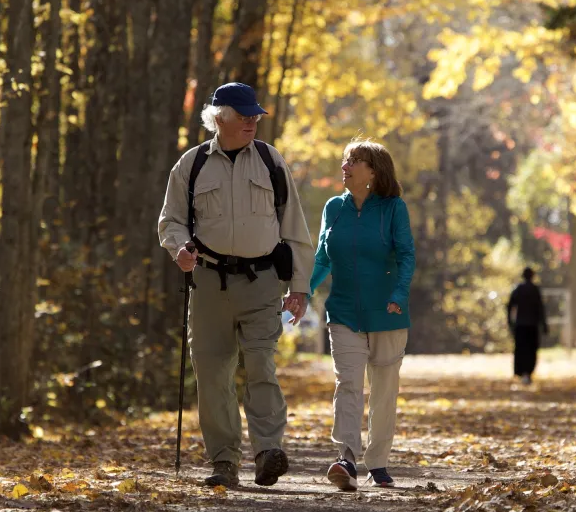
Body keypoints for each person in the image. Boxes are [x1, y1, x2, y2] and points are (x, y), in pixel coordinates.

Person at [157, 82, 314, 488]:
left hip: (262, 282)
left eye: (255, 116)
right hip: (207, 282)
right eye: (243, 116)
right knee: (212, 374)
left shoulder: (269, 160)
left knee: (261, 363)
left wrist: (299, 287)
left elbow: (295, 227)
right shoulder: (190, 165)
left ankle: (267, 451)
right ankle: (224, 461)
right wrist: (180, 250)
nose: (252, 122)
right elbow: (169, 221)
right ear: (219, 117)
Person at [309, 140, 415, 491]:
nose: (346, 165)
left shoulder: (393, 208)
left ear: (374, 171)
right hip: (343, 312)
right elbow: (323, 257)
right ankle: (347, 458)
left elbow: (406, 255)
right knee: (348, 383)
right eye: (345, 159)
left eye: (354, 160)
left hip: (387, 313)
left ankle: (378, 462)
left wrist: (399, 294)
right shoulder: (333, 207)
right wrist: (303, 291)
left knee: (384, 390)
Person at [507, 267, 549, 385]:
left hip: (521, 325)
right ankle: (528, 372)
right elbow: (540, 308)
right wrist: (544, 324)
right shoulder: (535, 290)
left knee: (521, 349)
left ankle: (521, 372)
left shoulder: (518, 289)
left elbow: (510, 306)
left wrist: (510, 321)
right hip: (532, 325)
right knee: (531, 350)